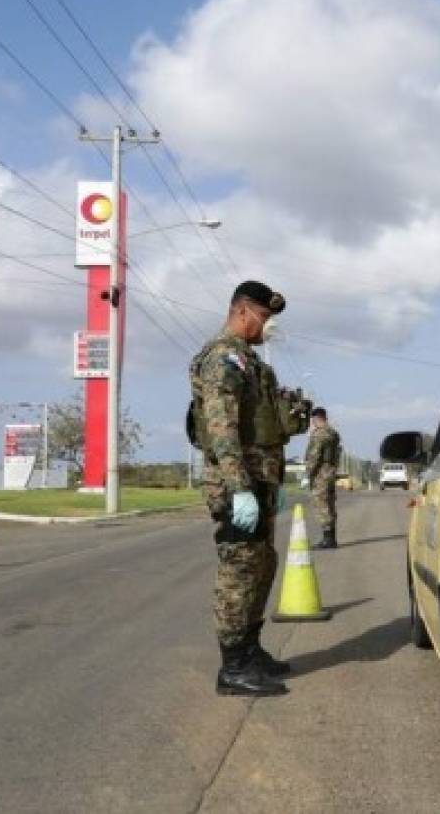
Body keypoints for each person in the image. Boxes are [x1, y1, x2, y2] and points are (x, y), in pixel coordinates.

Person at [189, 281, 292, 697]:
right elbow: (221, 429)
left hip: (258, 480)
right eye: (263, 318)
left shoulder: (249, 361)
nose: (265, 327)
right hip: (237, 485)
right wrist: (238, 488)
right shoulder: (222, 358)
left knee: (262, 566)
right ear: (242, 311)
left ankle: (250, 651)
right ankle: (232, 667)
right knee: (239, 572)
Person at [305, 408, 342, 549]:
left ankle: (328, 539)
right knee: (330, 504)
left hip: (321, 473)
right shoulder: (333, 433)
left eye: (312, 420)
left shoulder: (320, 434)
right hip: (331, 471)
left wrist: (308, 473)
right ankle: (332, 538)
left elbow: (314, 456)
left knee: (322, 504)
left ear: (315, 418)